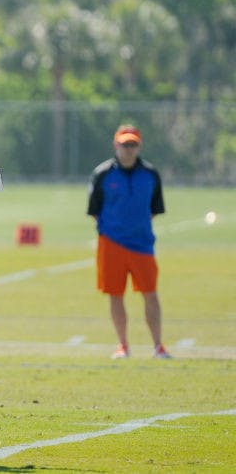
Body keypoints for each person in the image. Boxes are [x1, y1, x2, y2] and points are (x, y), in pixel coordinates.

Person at [87, 124, 171, 360]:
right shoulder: (102, 174)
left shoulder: (151, 175)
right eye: (125, 144)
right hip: (111, 244)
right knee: (115, 294)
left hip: (143, 244)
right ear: (116, 145)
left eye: (132, 144)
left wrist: (136, 226)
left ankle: (158, 346)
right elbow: (94, 210)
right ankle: (123, 345)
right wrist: (114, 229)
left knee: (150, 293)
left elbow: (155, 209)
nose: (128, 149)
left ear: (139, 146)